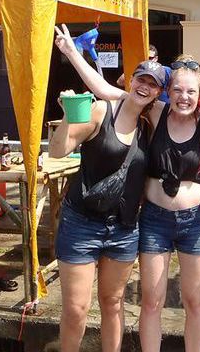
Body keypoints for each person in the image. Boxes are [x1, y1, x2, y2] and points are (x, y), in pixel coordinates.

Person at [55, 28, 200, 352]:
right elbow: (104, 90)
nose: (184, 97)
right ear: (169, 92)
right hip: (153, 220)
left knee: (193, 301)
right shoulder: (155, 112)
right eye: (178, 90)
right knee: (150, 301)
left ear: (199, 93)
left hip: (194, 223)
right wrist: (73, 53)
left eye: (191, 91)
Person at [50, 26, 164, 352]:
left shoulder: (152, 121)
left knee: (113, 304)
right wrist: (68, 117)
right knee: (76, 309)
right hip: (81, 223)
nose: (145, 87)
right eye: (141, 79)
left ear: (158, 93)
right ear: (129, 80)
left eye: (153, 85)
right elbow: (58, 151)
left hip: (124, 228)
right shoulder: (101, 109)